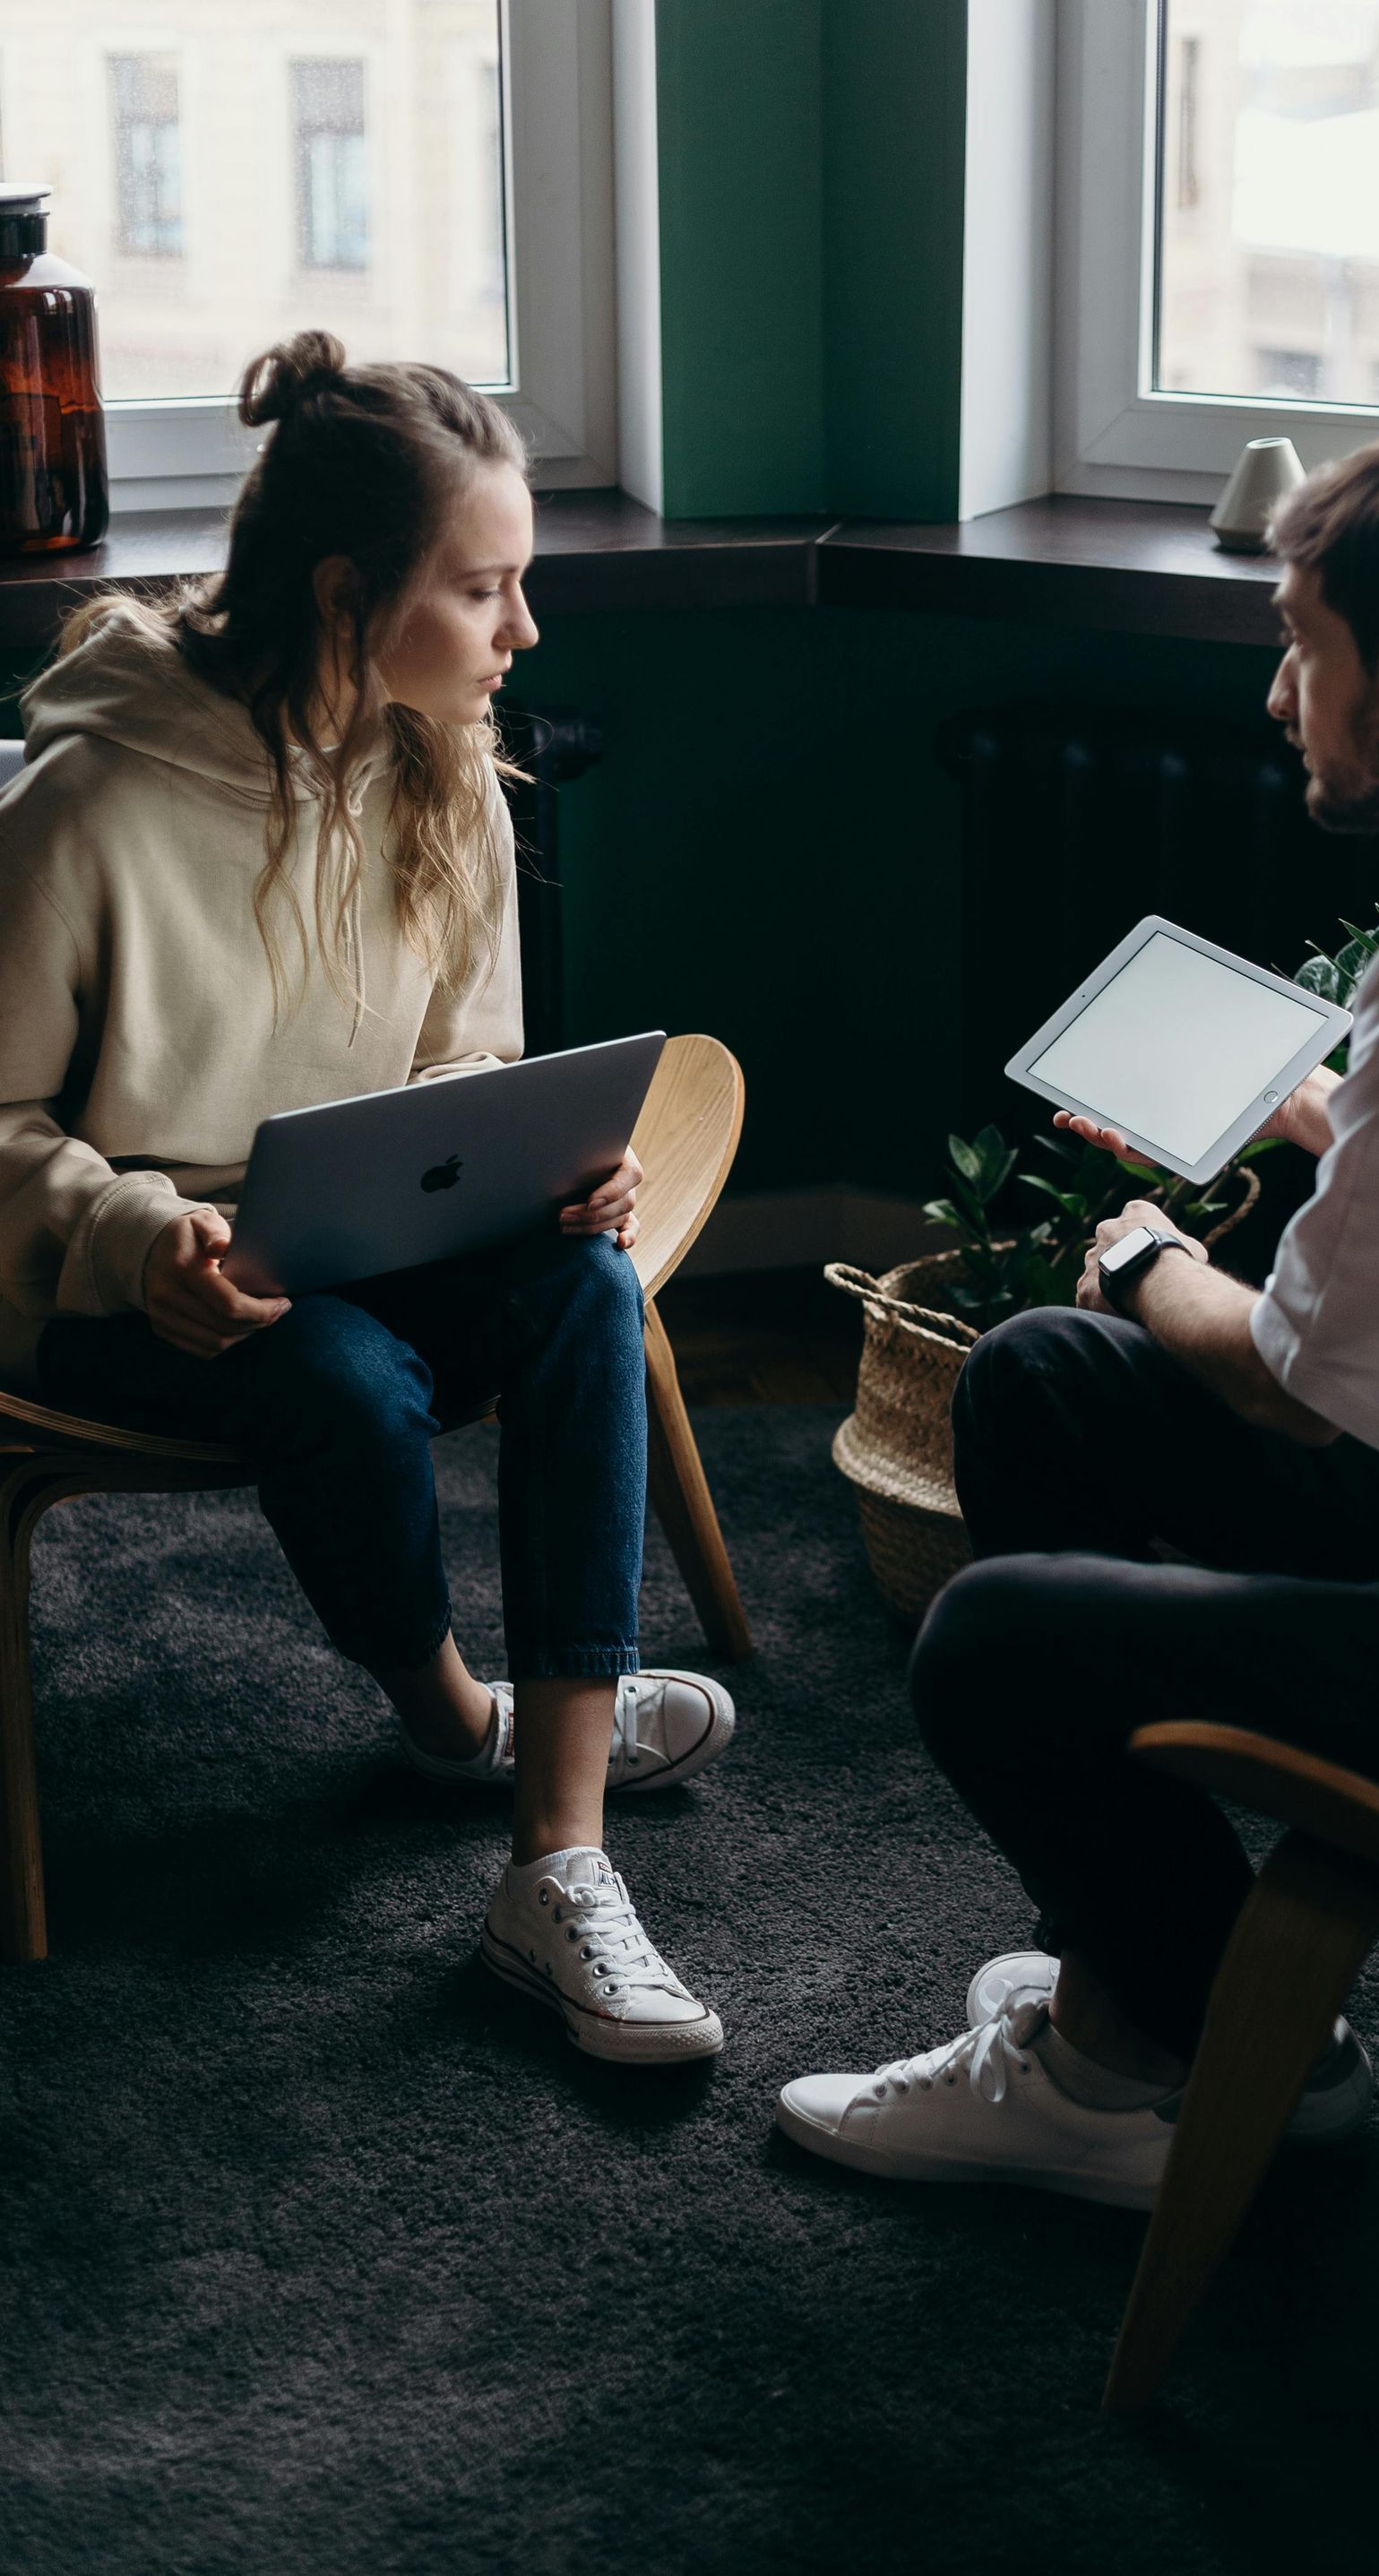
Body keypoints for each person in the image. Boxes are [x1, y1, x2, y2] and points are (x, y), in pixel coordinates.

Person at [778, 428, 1379, 2203]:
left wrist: (1147, 1256)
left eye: (1304, 646)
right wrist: (1320, 1114)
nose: (1286, 695)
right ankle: (1158, 2008)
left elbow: (1312, 1397)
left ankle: (1167, 2054)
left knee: (992, 1636)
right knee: (1046, 1381)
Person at [0, 332, 734, 2066]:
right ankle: (451, 1714)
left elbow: (459, 1072)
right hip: (130, 1289)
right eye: (485, 589)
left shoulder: (445, 758)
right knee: (339, 1376)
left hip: (360, 1237)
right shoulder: (91, 795)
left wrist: (549, 1168)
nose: (524, 632)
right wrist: (131, 1236)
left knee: (584, 1289)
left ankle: (555, 1859)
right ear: (346, 594)